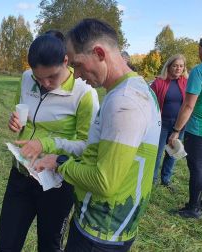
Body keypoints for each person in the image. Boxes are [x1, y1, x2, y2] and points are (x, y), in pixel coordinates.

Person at [35, 19, 160, 251]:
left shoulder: (125, 102)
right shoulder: (134, 90)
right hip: (107, 228)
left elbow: (105, 182)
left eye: (79, 65)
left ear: (99, 52)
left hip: (100, 232)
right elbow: (101, 151)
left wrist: (60, 163)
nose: (78, 75)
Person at [0, 30, 99, 252]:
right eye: (38, 77)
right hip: (21, 172)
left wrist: (46, 144)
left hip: (57, 182)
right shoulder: (26, 78)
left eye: (51, 76)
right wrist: (15, 123)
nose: (44, 83)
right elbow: (21, 114)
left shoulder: (84, 94)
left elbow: (87, 146)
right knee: (6, 244)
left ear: (66, 61)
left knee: (49, 246)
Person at [169, 34, 202, 218]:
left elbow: (188, 105)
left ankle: (194, 208)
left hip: (199, 128)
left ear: (200, 49)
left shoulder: (200, 71)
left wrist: (176, 130)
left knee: (197, 166)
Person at [151, 54, 188, 186]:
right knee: (158, 153)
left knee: (172, 152)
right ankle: (152, 180)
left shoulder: (186, 82)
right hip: (162, 124)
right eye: (175, 65)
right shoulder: (159, 82)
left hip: (179, 125)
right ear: (169, 66)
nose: (178, 68)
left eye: (181, 66)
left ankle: (165, 179)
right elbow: (150, 101)